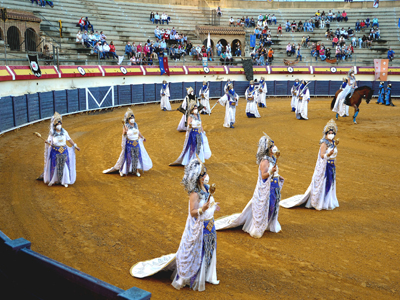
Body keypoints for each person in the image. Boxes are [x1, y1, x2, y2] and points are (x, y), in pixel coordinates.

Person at [131, 158, 219, 291]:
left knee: (208, 249)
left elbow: (209, 203)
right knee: (198, 251)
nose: (206, 176)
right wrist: (204, 209)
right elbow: (193, 212)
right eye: (203, 174)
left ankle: (205, 274)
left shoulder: (206, 188)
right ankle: (191, 277)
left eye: (205, 173)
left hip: (210, 226)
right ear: (198, 177)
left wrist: (213, 207)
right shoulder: (194, 193)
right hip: (199, 228)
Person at [215, 134, 283, 238]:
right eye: (271, 147)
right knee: (267, 206)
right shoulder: (264, 161)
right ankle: (260, 226)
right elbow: (264, 176)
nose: (273, 148)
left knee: (273, 206)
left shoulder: (272, 159)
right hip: (267, 189)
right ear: (267, 149)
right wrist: (270, 171)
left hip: (274, 187)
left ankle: (267, 224)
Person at [280, 119, 339, 211]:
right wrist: (328, 155)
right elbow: (322, 155)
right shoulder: (324, 143)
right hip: (325, 167)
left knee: (330, 183)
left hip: (331, 166)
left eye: (333, 133)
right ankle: (320, 202)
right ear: (326, 133)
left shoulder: (333, 142)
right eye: (329, 133)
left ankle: (325, 201)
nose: (331, 134)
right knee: (324, 183)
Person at [103, 108, 152, 177]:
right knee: (127, 158)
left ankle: (136, 171)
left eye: (133, 117)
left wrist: (142, 137)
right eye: (131, 118)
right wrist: (125, 133)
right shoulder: (125, 126)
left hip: (136, 144)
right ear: (128, 119)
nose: (132, 119)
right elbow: (123, 135)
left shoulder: (135, 125)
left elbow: (138, 132)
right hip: (129, 145)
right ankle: (123, 170)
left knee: (136, 158)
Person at [38, 112, 80, 187]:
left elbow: (69, 139)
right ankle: (54, 180)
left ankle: (65, 181)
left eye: (60, 124)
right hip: (55, 151)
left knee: (65, 166)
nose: (59, 125)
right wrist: (47, 142)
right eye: (57, 124)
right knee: (55, 166)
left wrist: (75, 145)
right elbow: (49, 141)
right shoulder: (52, 133)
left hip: (64, 151)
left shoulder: (64, 132)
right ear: (54, 125)